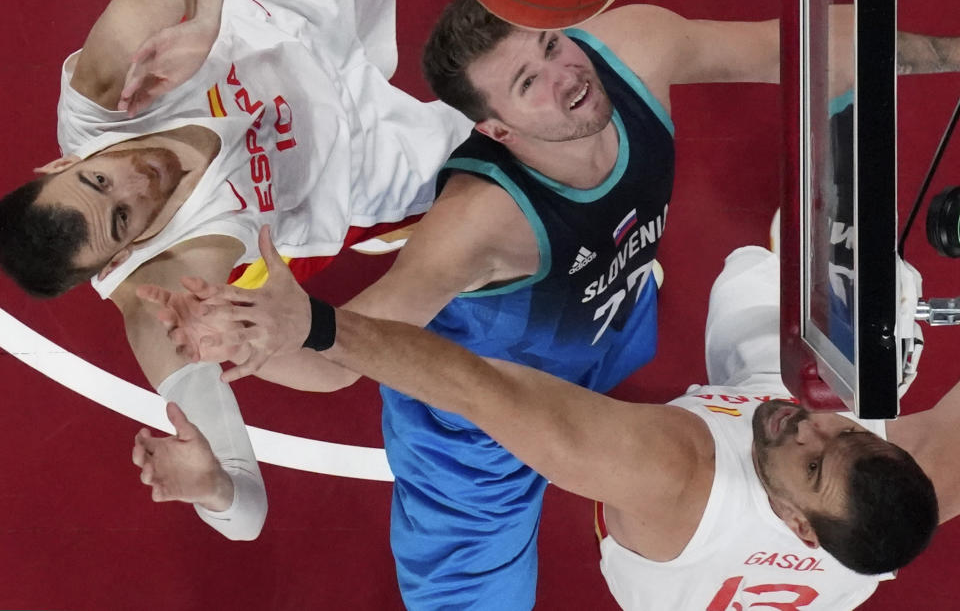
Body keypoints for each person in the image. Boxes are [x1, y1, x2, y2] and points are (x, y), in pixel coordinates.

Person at [137, 0, 960, 607]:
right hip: (482, 431)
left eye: (554, 44)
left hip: (573, 354)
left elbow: (821, 49)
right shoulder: (479, 226)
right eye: (531, 78)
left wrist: (263, 331)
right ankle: (853, 276)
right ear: (493, 130)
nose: (569, 72)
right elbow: (431, 381)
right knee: (785, 303)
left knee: (755, 311)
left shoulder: (630, 53)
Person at [0, 0, 471, 539]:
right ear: (116, 261)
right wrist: (215, 485)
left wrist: (206, 15)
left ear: (55, 163)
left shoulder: (102, 95)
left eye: (97, 178)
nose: (137, 179)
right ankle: (392, 221)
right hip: (347, 167)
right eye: (124, 215)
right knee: (504, 169)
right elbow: (246, 516)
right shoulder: (165, 301)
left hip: (277, 22)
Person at [144, 231, 948, 610]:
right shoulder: (905, 484)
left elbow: (479, 391)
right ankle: (868, 329)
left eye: (814, 461)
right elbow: (832, 446)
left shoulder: (672, 472)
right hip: (789, 484)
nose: (805, 426)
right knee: (774, 265)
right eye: (840, 433)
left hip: (675, 522)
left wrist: (315, 328)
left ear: (800, 527)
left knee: (464, 485)